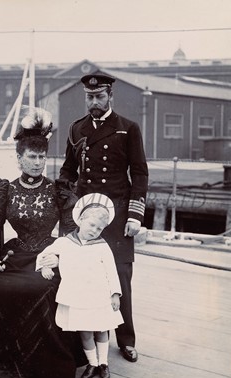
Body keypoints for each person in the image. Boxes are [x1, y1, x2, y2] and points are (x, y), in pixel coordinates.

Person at [0, 107, 86, 378]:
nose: (37, 163)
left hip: (50, 255)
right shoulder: (5, 191)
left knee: (42, 289)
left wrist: (58, 258)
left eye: (42, 157)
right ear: (19, 158)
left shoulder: (58, 190)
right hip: (15, 255)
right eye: (31, 157)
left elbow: (71, 234)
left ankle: (43, 375)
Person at [58, 74, 149, 363]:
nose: (93, 102)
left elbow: (140, 172)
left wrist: (135, 214)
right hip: (84, 215)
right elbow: (68, 171)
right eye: (89, 96)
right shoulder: (76, 129)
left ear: (110, 96)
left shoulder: (127, 129)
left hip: (118, 213)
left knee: (120, 277)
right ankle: (79, 342)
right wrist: (63, 198)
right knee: (78, 275)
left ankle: (126, 339)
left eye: (99, 96)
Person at [36, 193, 123, 378]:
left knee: (101, 329)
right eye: (91, 225)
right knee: (85, 331)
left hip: (99, 295)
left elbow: (111, 270)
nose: (94, 231)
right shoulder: (65, 242)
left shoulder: (102, 246)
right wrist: (45, 266)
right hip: (76, 296)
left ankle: (104, 363)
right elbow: (45, 254)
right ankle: (92, 363)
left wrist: (115, 294)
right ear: (81, 219)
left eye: (99, 228)